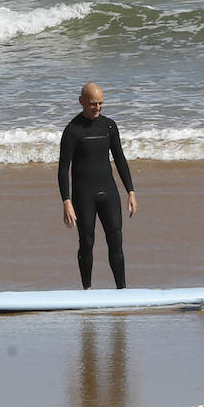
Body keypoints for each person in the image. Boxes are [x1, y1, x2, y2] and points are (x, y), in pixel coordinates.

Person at [57, 82, 138, 289]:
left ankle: (122, 290)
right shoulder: (72, 130)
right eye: (93, 103)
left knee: (116, 241)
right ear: (81, 101)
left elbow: (120, 159)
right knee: (86, 243)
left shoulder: (109, 126)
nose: (98, 107)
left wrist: (131, 191)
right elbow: (63, 168)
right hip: (84, 195)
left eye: (101, 103)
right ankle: (87, 290)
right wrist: (66, 201)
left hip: (108, 192)